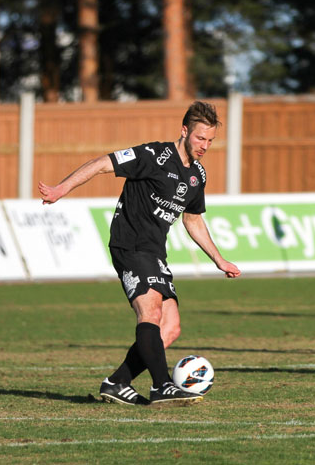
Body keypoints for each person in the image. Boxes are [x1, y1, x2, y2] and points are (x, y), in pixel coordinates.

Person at [38, 101, 241, 405]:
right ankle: (161, 385)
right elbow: (102, 163)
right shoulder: (154, 156)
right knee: (151, 313)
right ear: (184, 131)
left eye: (210, 140)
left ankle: (118, 383)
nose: (205, 146)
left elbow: (193, 219)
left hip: (155, 252)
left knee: (170, 328)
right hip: (130, 244)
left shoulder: (197, 174)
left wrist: (218, 259)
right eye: (200, 138)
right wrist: (60, 190)